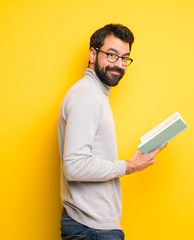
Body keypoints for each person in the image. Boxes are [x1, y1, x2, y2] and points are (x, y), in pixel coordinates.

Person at [57, 23, 167, 240]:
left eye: (125, 58)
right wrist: (129, 166)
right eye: (112, 55)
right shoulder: (87, 95)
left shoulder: (95, 95)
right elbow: (75, 166)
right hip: (91, 229)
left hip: (93, 228)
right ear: (92, 53)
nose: (119, 64)